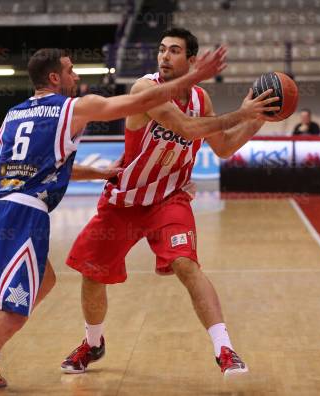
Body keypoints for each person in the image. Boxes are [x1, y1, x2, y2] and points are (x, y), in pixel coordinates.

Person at [0, 46, 274, 395]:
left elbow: (40, 165)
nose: (76, 75)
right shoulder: (72, 107)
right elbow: (142, 100)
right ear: (55, 79)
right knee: (10, 315)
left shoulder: (14, 115)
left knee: (44, 283)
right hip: (24, 213)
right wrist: (194, 76)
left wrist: (99, 174)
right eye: (70, 70)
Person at [60, 27, 280, 378]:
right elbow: (188, 130)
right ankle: (93, 342)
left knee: (186, 265)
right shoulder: (145, 89)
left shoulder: (201, 100)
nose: (164, 56)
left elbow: (222, 148)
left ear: (191, 60)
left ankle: (225, 349)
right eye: (162, 49)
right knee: (91, 273)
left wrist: (257, 118)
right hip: (125, 201)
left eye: (174, 51)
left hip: (169, 199)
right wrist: (241, 112)